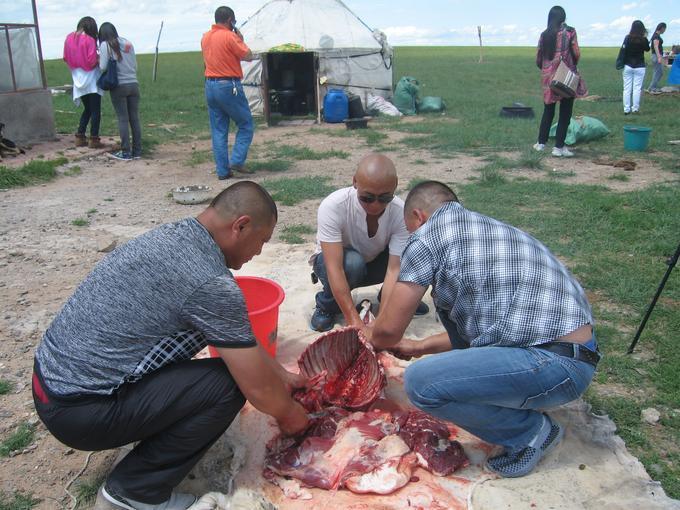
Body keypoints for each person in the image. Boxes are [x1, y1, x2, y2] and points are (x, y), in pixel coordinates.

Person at [32, 181, 309, 510]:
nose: (259, 252)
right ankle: (135, 493)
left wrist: (280, 373)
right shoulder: (210, 281)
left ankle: (142, 438)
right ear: (241, 225)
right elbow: (259, 390)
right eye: (261, 241)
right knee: (227, 384)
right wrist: (294, 416)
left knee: (225, 371)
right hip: (79, 411)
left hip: (49, 383)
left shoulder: (176, 236)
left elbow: (235, 332)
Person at [369, 181, 599, 479]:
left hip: (552, 365)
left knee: (421, 384)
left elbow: (387, 331)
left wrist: (367, 335)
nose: (412, 235)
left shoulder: (427, 236)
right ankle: (527, 409)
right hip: (575, 359)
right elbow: (489, 333)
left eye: (410, 228)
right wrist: (420, 346)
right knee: (438, 371)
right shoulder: (491, 229)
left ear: (419, 216)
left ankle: (531, 433)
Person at [309, 153, 428, 332]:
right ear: (355, 182)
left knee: (415, 251)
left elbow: (393, 269)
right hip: (339, 265)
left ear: (395, 185)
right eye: (367, 198)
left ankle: (394, 298)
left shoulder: (400, 212)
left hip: (373, 262)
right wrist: (354, 320)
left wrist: (382, 319)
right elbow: (335, 268)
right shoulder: (333, 206)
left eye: (385, 198)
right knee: (352, 264)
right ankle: (327, 305)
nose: (375, 205)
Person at [201, 6, 255, 180]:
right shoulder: (230, 36)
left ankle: (223, 171)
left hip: (210, 85)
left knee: (218, 130)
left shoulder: (205, 37)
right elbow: (248, 55)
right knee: (245, 123)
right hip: (229, 85)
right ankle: (237, 160)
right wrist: (241, 39)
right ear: (230, 20)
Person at [533, 5, 587, 158]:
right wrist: (571, 64)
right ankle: (559, 147)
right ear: (563, 18)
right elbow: (576, 53)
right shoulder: (569, 32)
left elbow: (538, 57)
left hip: (548, 77)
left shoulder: (544, 34)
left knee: (548, 110)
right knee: (565, 112)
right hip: (565, 75)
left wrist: (546, 68)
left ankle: (541, 143)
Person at [99, 22, 142, 161]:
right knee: (134, 119)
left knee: (123, 119)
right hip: (133, 84)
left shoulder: (106, 45)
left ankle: (125, 152)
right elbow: (135, 65)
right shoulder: (128, 43)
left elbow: (102, 66)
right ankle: (137, 151)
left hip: (119, 87)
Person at [63, 17, 104, 149]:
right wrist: (99, 58)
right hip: (91, 80)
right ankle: (94, 139)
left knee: (88, 109)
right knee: (95, 110)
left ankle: (80, 136)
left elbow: (65, 57)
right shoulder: (90, 40)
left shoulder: (69, 38)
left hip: (77, 79)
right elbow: (92, 62)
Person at [621, 20, 650, 114]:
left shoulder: (627, 38)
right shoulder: (643, 39)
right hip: (640, 66)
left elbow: (624, 49)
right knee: (637, 88)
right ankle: (635, 109)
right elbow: (647, 49)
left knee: (627, 88)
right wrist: (645, 37)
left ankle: (626, 109)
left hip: (628, 65)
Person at [647, 22, 667, 93]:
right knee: (658, 72)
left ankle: (652, 87)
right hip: (656, 56)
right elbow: (655, 46)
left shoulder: (656, 35)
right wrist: (659, 57)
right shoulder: (656, 36)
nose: (664, 31)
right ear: (662, 28)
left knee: (659, 72)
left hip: (657, 55)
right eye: (665, 29)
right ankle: (652, 87)